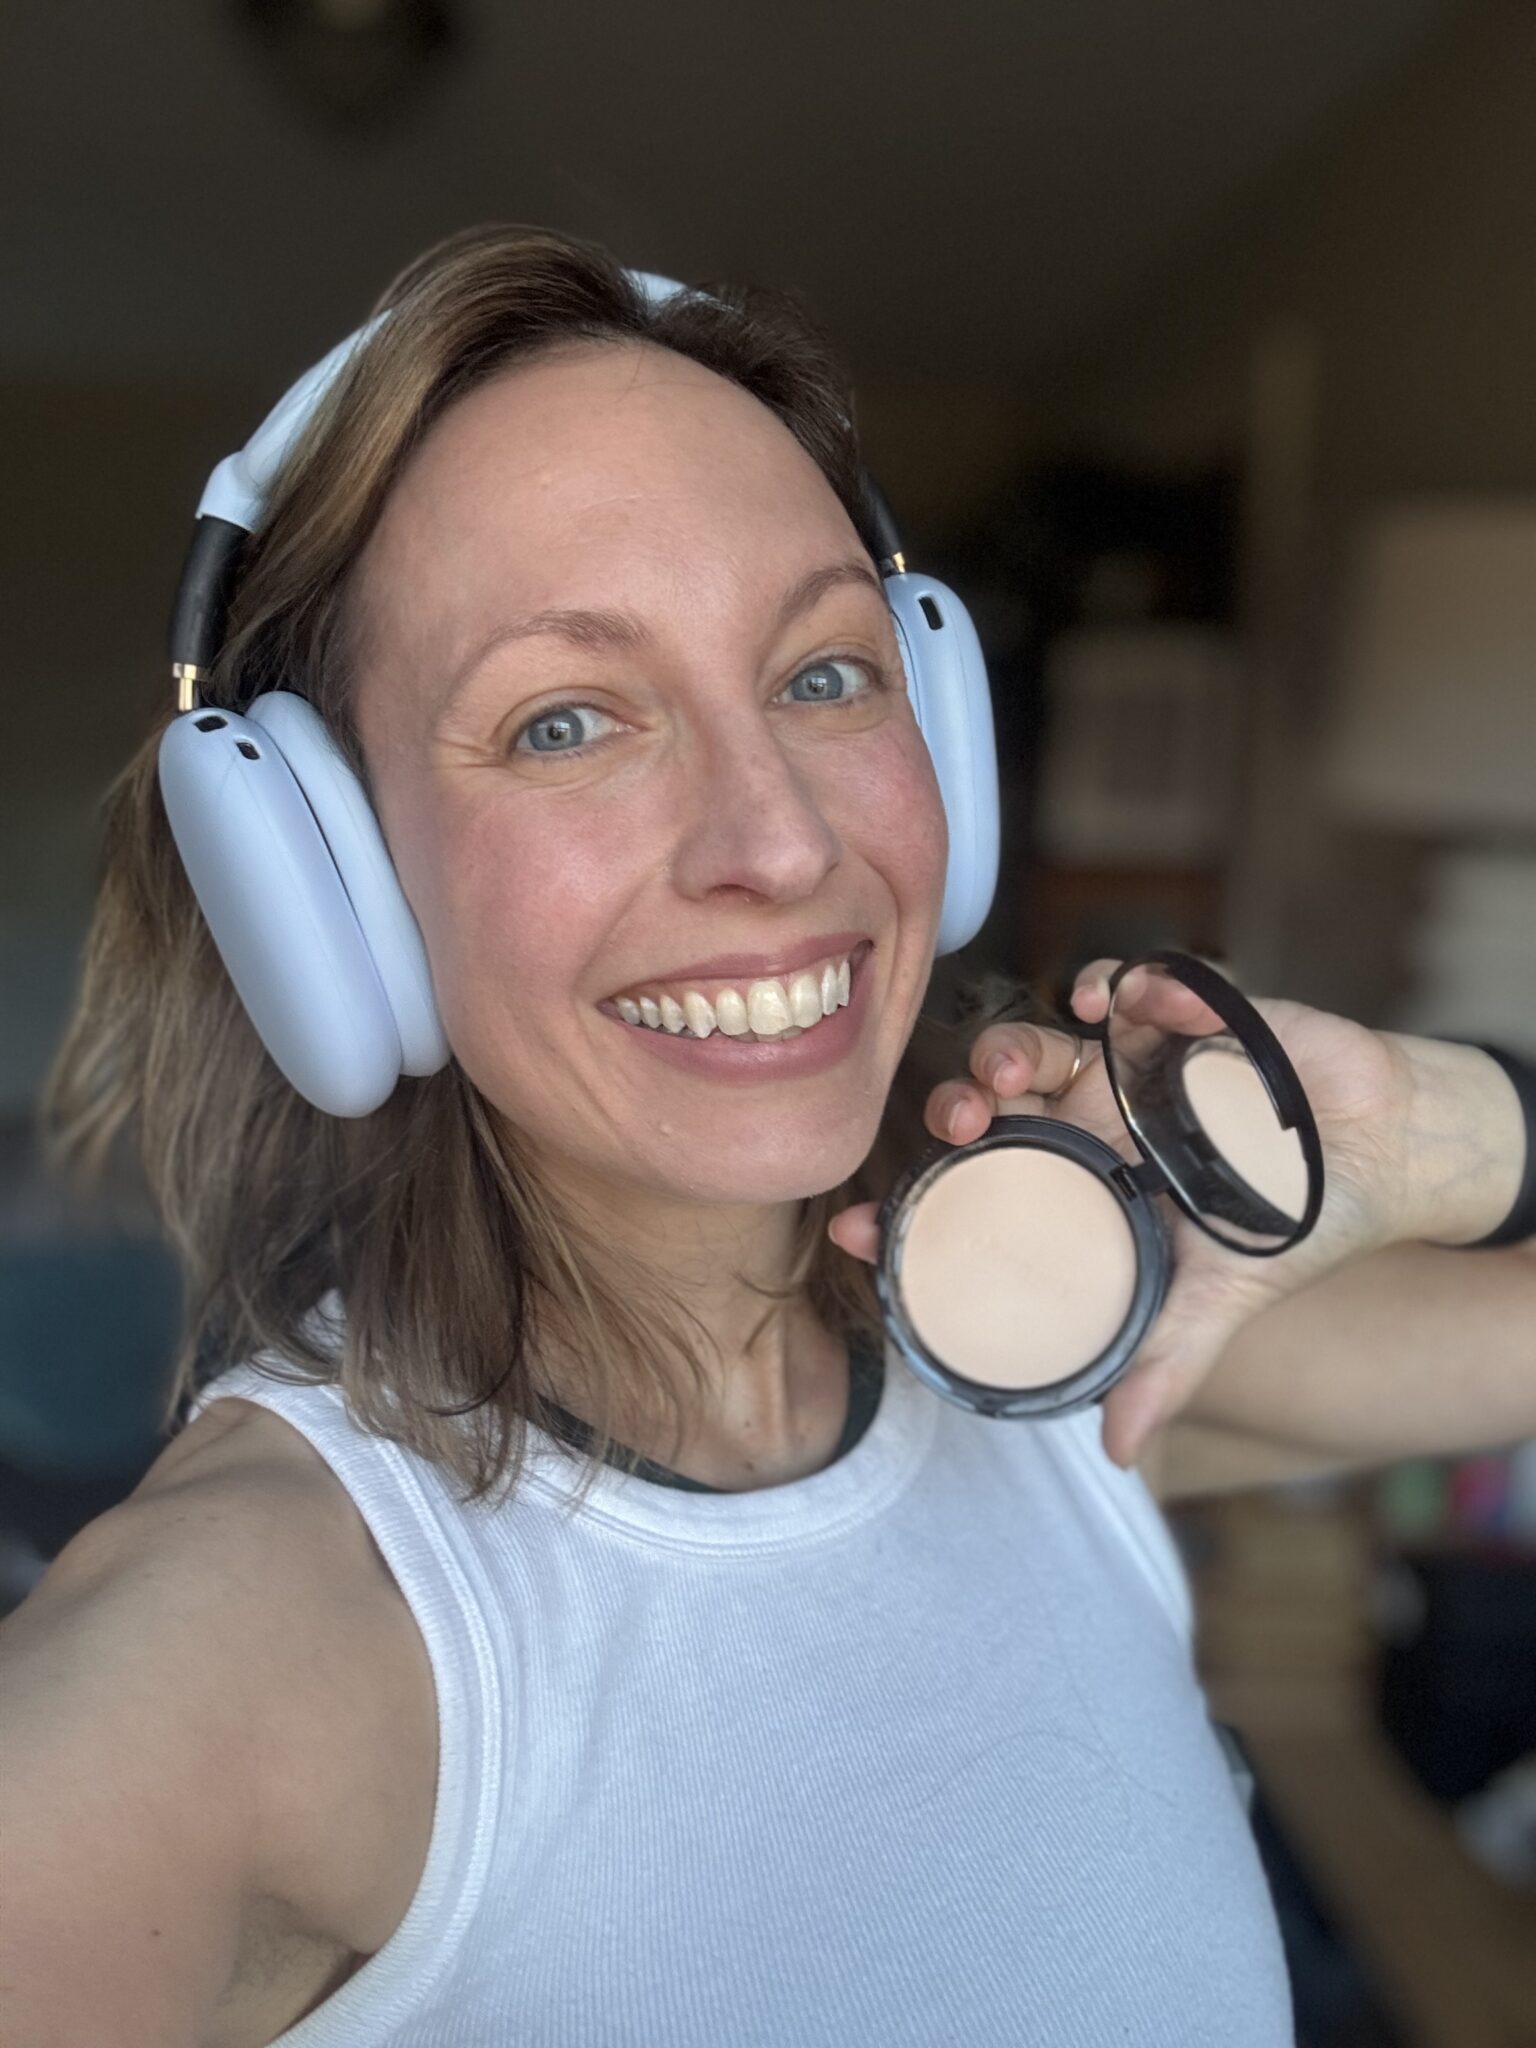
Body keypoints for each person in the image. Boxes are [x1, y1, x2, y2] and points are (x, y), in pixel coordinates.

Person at [2, 224, 1532, 2048]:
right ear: (327, 886)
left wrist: (1444, 1126)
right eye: (565, 722)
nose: (783, 842)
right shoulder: (220, 1656)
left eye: (822, 675)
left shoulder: (1050, 1348)